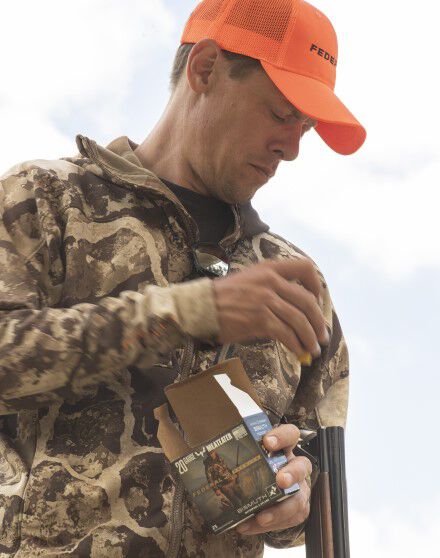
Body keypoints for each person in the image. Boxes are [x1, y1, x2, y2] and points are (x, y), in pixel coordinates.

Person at [0, 0, 366, 556]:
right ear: (206, 68)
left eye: (307, 126)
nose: (293, 148)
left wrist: (295, 495)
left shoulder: (298, 287)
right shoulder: (45, 202)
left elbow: (314, 491)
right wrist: (186, 312)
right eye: (281, 113)